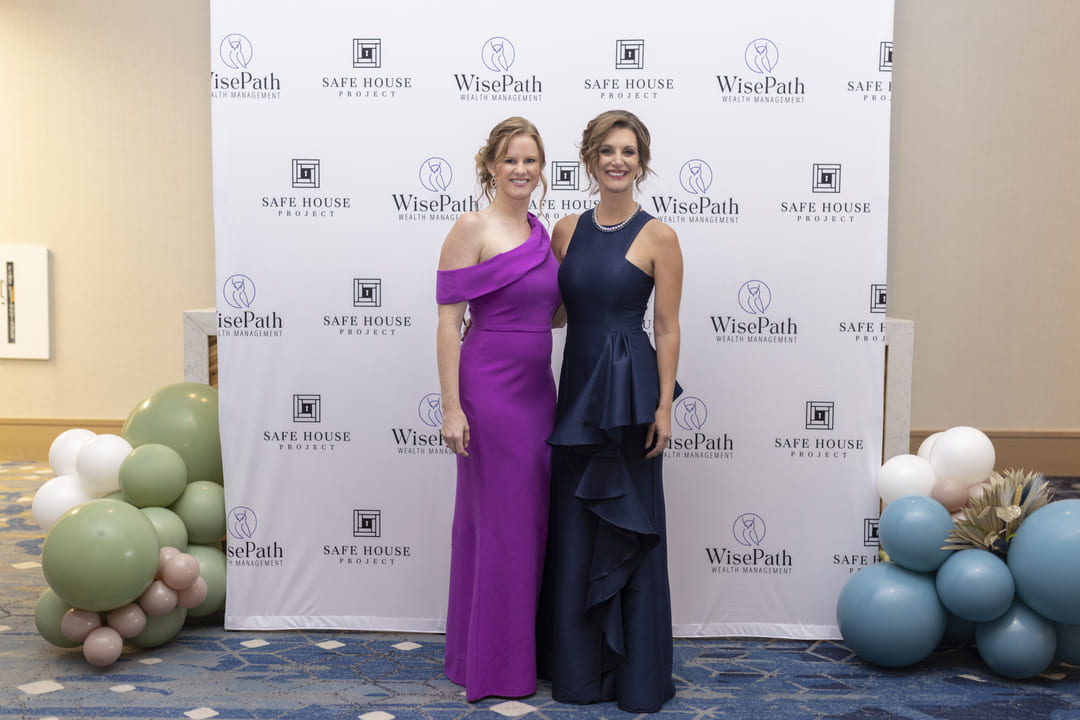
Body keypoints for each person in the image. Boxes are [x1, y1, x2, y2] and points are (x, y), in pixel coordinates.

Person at [537, 110, 683, 713]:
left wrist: (664, 407)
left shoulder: (660, 236)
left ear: (641, 162)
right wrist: (488, 318)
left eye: (627, 151)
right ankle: (578, 673)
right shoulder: (565, 230)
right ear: (590, 160)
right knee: (576, 525)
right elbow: (555, 311)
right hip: (578, 391)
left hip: (628, 397)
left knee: (627, 524)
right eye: (606, 151)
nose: (616, 161)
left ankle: (634, 678)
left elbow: (667, 327)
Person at [435, 116, 563, 701]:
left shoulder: (543, 233)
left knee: (529, 526)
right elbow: (448, 324)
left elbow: (553, 314)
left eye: (530, 160)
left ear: (542, 168)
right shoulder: (472, 227)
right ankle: (492, 666)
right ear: (490, 165)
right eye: (510, 159)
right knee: (498, 526)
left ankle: (510, 653)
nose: (520, 170)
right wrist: (452, 408)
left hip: (539, 394)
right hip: (487, 392)